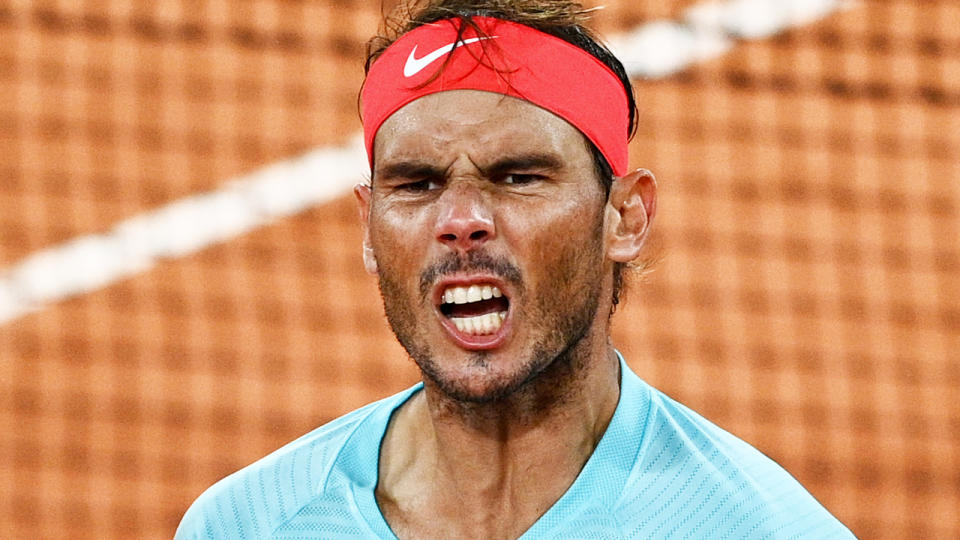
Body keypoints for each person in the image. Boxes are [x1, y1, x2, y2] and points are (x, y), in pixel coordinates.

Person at [176, 1, 854, 538]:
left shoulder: (754, 530)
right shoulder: (248, 524)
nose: (462, 219)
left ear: (625, 217)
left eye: (518, 176)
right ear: (369, 228)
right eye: (415, 184)